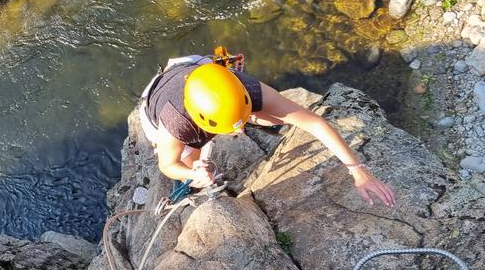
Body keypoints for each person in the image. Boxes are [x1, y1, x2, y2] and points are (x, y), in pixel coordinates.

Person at [138, 49, 396, 207]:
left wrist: (356, 170)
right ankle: (187, 189)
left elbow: (314, 122)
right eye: (232, 129)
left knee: (277, 117)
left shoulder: (242, 86)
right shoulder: (176, 124)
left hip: (198, 71)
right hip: (159, 101)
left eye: (242, 122)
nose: (238, 135)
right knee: (189, 161)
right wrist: (194, 175)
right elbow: (167, 164)